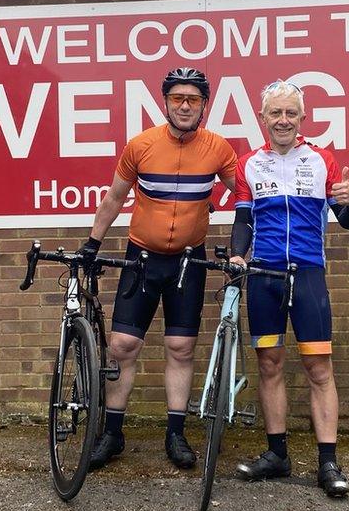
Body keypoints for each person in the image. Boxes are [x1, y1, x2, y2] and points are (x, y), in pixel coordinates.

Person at [78, 67, 238, 471]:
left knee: (180, 348)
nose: (185, 106)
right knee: (122, 346)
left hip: (188, 262)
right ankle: (112, 434)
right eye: (177, 98)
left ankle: (176, 434)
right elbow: (114, 198)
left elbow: (252, 195)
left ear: (204, 105)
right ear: (165, 102)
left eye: (194, 99)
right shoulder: (141, 145)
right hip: (142, 259)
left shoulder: (219, 149)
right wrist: (92, 244)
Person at [229, 80, 349, 497]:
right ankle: (277, 454)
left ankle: (328, 463)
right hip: (264, 275)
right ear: (263, 118)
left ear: (302, 118)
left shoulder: (323, 160)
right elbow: (243, 220)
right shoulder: (248, 163)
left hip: (307, 275)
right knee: (269, 363)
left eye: (291, 113)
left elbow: (347, 219)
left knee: (318, 368)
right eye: (275, 113)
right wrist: (237, 255)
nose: (283, 120)